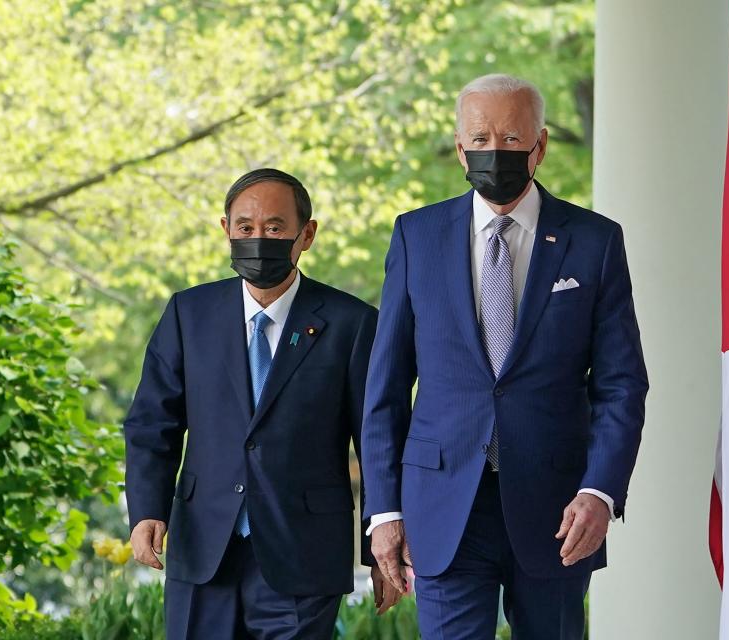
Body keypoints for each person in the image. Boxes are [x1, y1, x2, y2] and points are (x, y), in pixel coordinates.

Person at [361, 74, 649, 639]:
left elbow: (622, 384)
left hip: (558, 509)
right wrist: (385, 511)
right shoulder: (416, 236)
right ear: (460, 146)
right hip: (443, 508)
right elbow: (386, 387)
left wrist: (601, 490)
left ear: (539, 146)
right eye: (481, 138)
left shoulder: (595, 241)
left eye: (512, 140)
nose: (496, 151)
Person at [124, 168, 398, 639]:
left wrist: (379, 546)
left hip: (303, 557)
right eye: (245, 228)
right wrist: (148, 509)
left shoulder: (353, 324)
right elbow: (153, 423)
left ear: (305, 234)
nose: (258, 238)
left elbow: (377, 439)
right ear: (226, 229)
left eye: (274, 227)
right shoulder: (188, 315)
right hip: (203, 551)